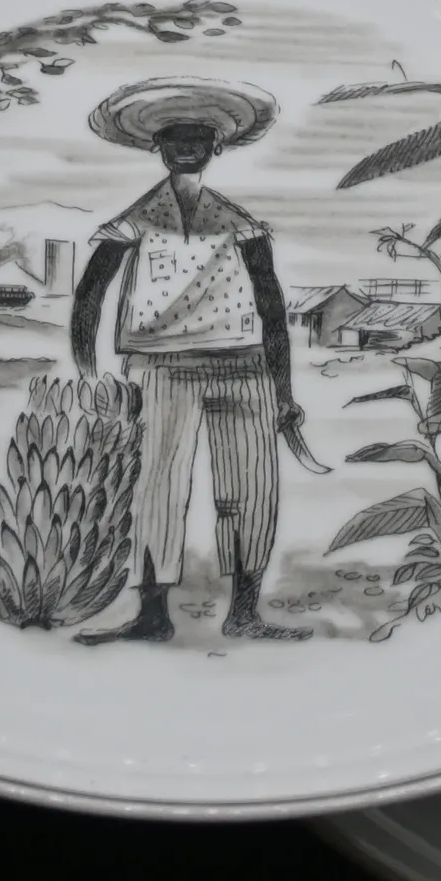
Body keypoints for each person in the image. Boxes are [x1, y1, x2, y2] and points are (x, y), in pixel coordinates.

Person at [70, 81, 314, 643]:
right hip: (158, 368)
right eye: (174, 138)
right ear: (157, 147)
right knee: (155, 486)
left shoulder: (240, 222)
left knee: (250, 487)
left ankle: (245, 612)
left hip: (244, 365)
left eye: (198, 138)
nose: (186, 148)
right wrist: (87, 371)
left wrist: (284, 392)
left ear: (215, 146)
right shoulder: (137, 219)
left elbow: (272, 307)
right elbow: (90, 293)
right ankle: (152, 615)